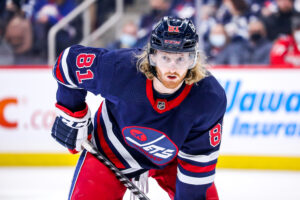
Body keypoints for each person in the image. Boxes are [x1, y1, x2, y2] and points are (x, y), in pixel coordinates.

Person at [51, 16, 227, 200]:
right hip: (111, 151)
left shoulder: (208, 98)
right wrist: (73, 114)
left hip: (171, 159)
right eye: (165, 57)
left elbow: (196, 165)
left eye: (181, 58)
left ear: (193, 59)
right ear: (152, 56)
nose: (172, 68)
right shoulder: (121, 69)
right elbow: (68, 62)